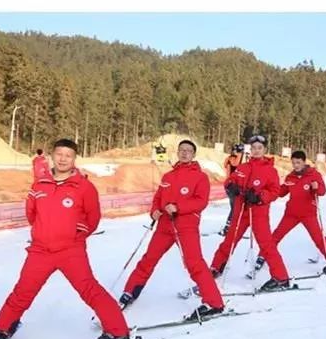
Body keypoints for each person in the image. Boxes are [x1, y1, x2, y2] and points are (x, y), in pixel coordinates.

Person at [0, 138, 130, 339]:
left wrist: (76, 232)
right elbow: (32, 214)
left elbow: (93, 218)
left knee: (89, 289)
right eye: (59, 154)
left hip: (70, 251)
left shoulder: (84, 187)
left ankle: (118, 332)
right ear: (53, 156)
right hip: (40, 251)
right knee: (22, 292)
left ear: (74, 159)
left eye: (68, 155)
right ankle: (3, 329)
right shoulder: (39, 185)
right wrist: (45, 232)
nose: (63, 158)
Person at [119, 139, 224, 321]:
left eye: (188, 151)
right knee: (148, 259)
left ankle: (214, 302)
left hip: (186, 227)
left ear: (193, 154)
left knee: (194, 263)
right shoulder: (168, 176)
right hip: (164, 226)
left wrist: (178, 207)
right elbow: (158, 197)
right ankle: (130, 291)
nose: (184, 153)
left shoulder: (200, 177)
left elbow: (201, 202)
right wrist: (155, 211)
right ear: (178, 152)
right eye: (181, 150)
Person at [210, 134, 291, 291]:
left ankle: (281, 277)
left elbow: (274, 192)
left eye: (259, 148)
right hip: (241, 212)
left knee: (266, 245)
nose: (256, 151)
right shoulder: (243, 167)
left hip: (258, 213)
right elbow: (230, 179)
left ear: (264, 150)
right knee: (229, 241)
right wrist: (231, 186)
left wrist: (259, 197)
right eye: (253, 148)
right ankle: (216, 267)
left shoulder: (270, 171)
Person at [252, 150, 326, 277]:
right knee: (276, 235)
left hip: (308, 214)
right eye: (293, 163)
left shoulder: (313, 175)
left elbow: (322, 192)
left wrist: (316, 187)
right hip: (291, 214)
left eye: (298, 163)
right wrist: (267, 190)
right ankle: (262, 257)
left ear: (304, 162)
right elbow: (280, 192)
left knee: (318, 239)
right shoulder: (291, 177)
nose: (296, 165)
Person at [220, 144, 245, 236]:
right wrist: (240, 154)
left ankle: (231, 228)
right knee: (235, 208)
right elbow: (236, 164)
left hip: (233, 186)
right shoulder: (232, 159)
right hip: (232, 186)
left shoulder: (232, 158)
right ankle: (228, 229)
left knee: (235, 208)